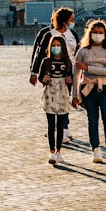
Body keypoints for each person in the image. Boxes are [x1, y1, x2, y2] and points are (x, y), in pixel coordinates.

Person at [72, 19, 106, 164]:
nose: (98, 35)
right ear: (89, 34)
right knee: (92, 119)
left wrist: (87, 68)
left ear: (105, 34)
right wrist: (74, 95)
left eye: (100, 33)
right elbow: (76, 73)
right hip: (88, 88)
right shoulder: (83, 51)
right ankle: (96, 150)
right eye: (95, 33)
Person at [29, 7, 77, 143]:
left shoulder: (72, 34)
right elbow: (39, 55)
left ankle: (63, 127)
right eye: (71, 19)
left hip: (69, 71)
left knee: (64, 98)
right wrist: (34, 72)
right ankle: (56, 129)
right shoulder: (48, 34)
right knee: (53, 98)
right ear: (64, 20)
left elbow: (78, 52)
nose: (73, 21)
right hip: (52, 73)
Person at [38, 34, 73, 164]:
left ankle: (59, 151)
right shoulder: (46, 61)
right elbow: (42, 78)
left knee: (60, 125)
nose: (56, 48)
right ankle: (52, 152)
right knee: (51, 124)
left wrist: (70, 82)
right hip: (50, 95)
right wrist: (44, 80)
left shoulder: (67, 62)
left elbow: (71, 79)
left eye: (58, 45)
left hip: (62, 94)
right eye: (53, 45)